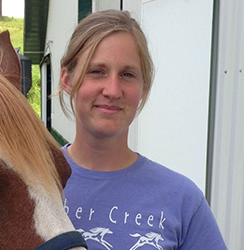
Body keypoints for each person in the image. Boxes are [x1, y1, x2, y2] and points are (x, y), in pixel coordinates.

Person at [57, 10, 227, 249]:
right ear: (67, 79)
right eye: (97, 71)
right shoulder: (29, 184)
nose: (113, 90)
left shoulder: (182, 200)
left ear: (144, 88)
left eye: (127, 74)